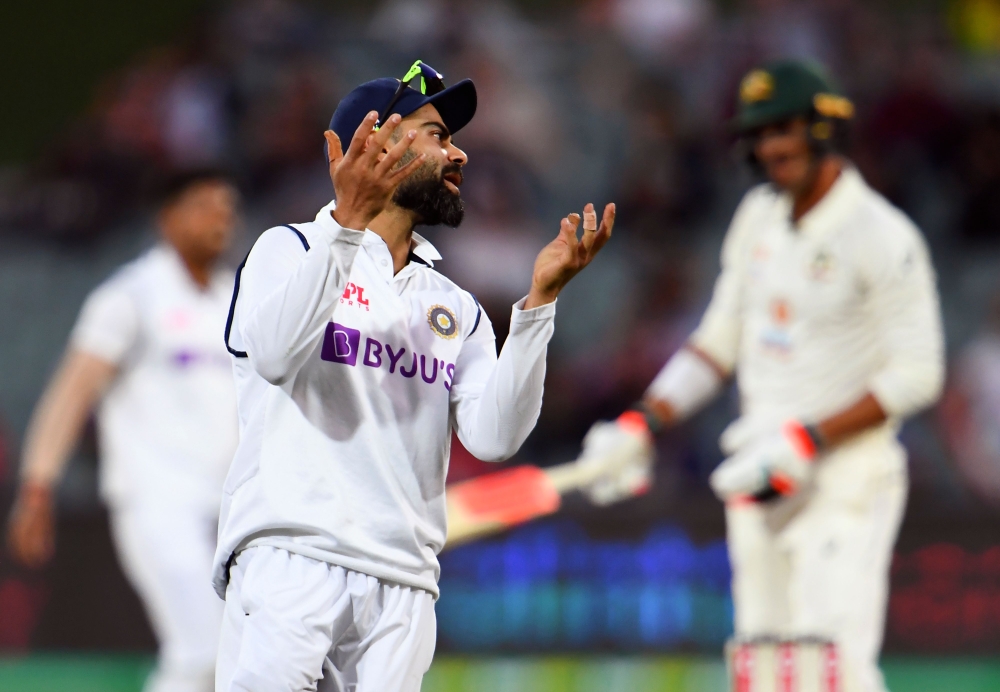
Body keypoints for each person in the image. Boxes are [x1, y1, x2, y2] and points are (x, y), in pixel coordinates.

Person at [213, 60, 614, 692]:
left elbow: (494, 437)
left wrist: (539, 306)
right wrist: (345, 230)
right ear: (377, 144)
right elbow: (273, 356)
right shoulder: (286, 249)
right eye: (437, 134)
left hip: (402, 584)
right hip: (291, 557)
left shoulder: (452, 306)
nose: (458, 154)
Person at [583, 60, 944, 691]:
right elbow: (718, 343)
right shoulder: (758, 216)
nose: (773, 146)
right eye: (761, 133)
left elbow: (919, 374)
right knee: (761, 668)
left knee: (832, 670)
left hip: (845, 482)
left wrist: (807, 440)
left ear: (823, 128)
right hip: (757, 472)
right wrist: (642, 422)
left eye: (785, 128)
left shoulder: (882, 235)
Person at [7, 170, 240, 692]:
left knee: (239, 656)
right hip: (158, 502)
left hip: (231, 508)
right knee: (205, 648)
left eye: (227, 208)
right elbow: (71, 392)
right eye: (205, 206)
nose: (220, 220)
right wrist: (38, 484)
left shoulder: (233, 299)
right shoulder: (131, 297)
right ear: (169, 217)